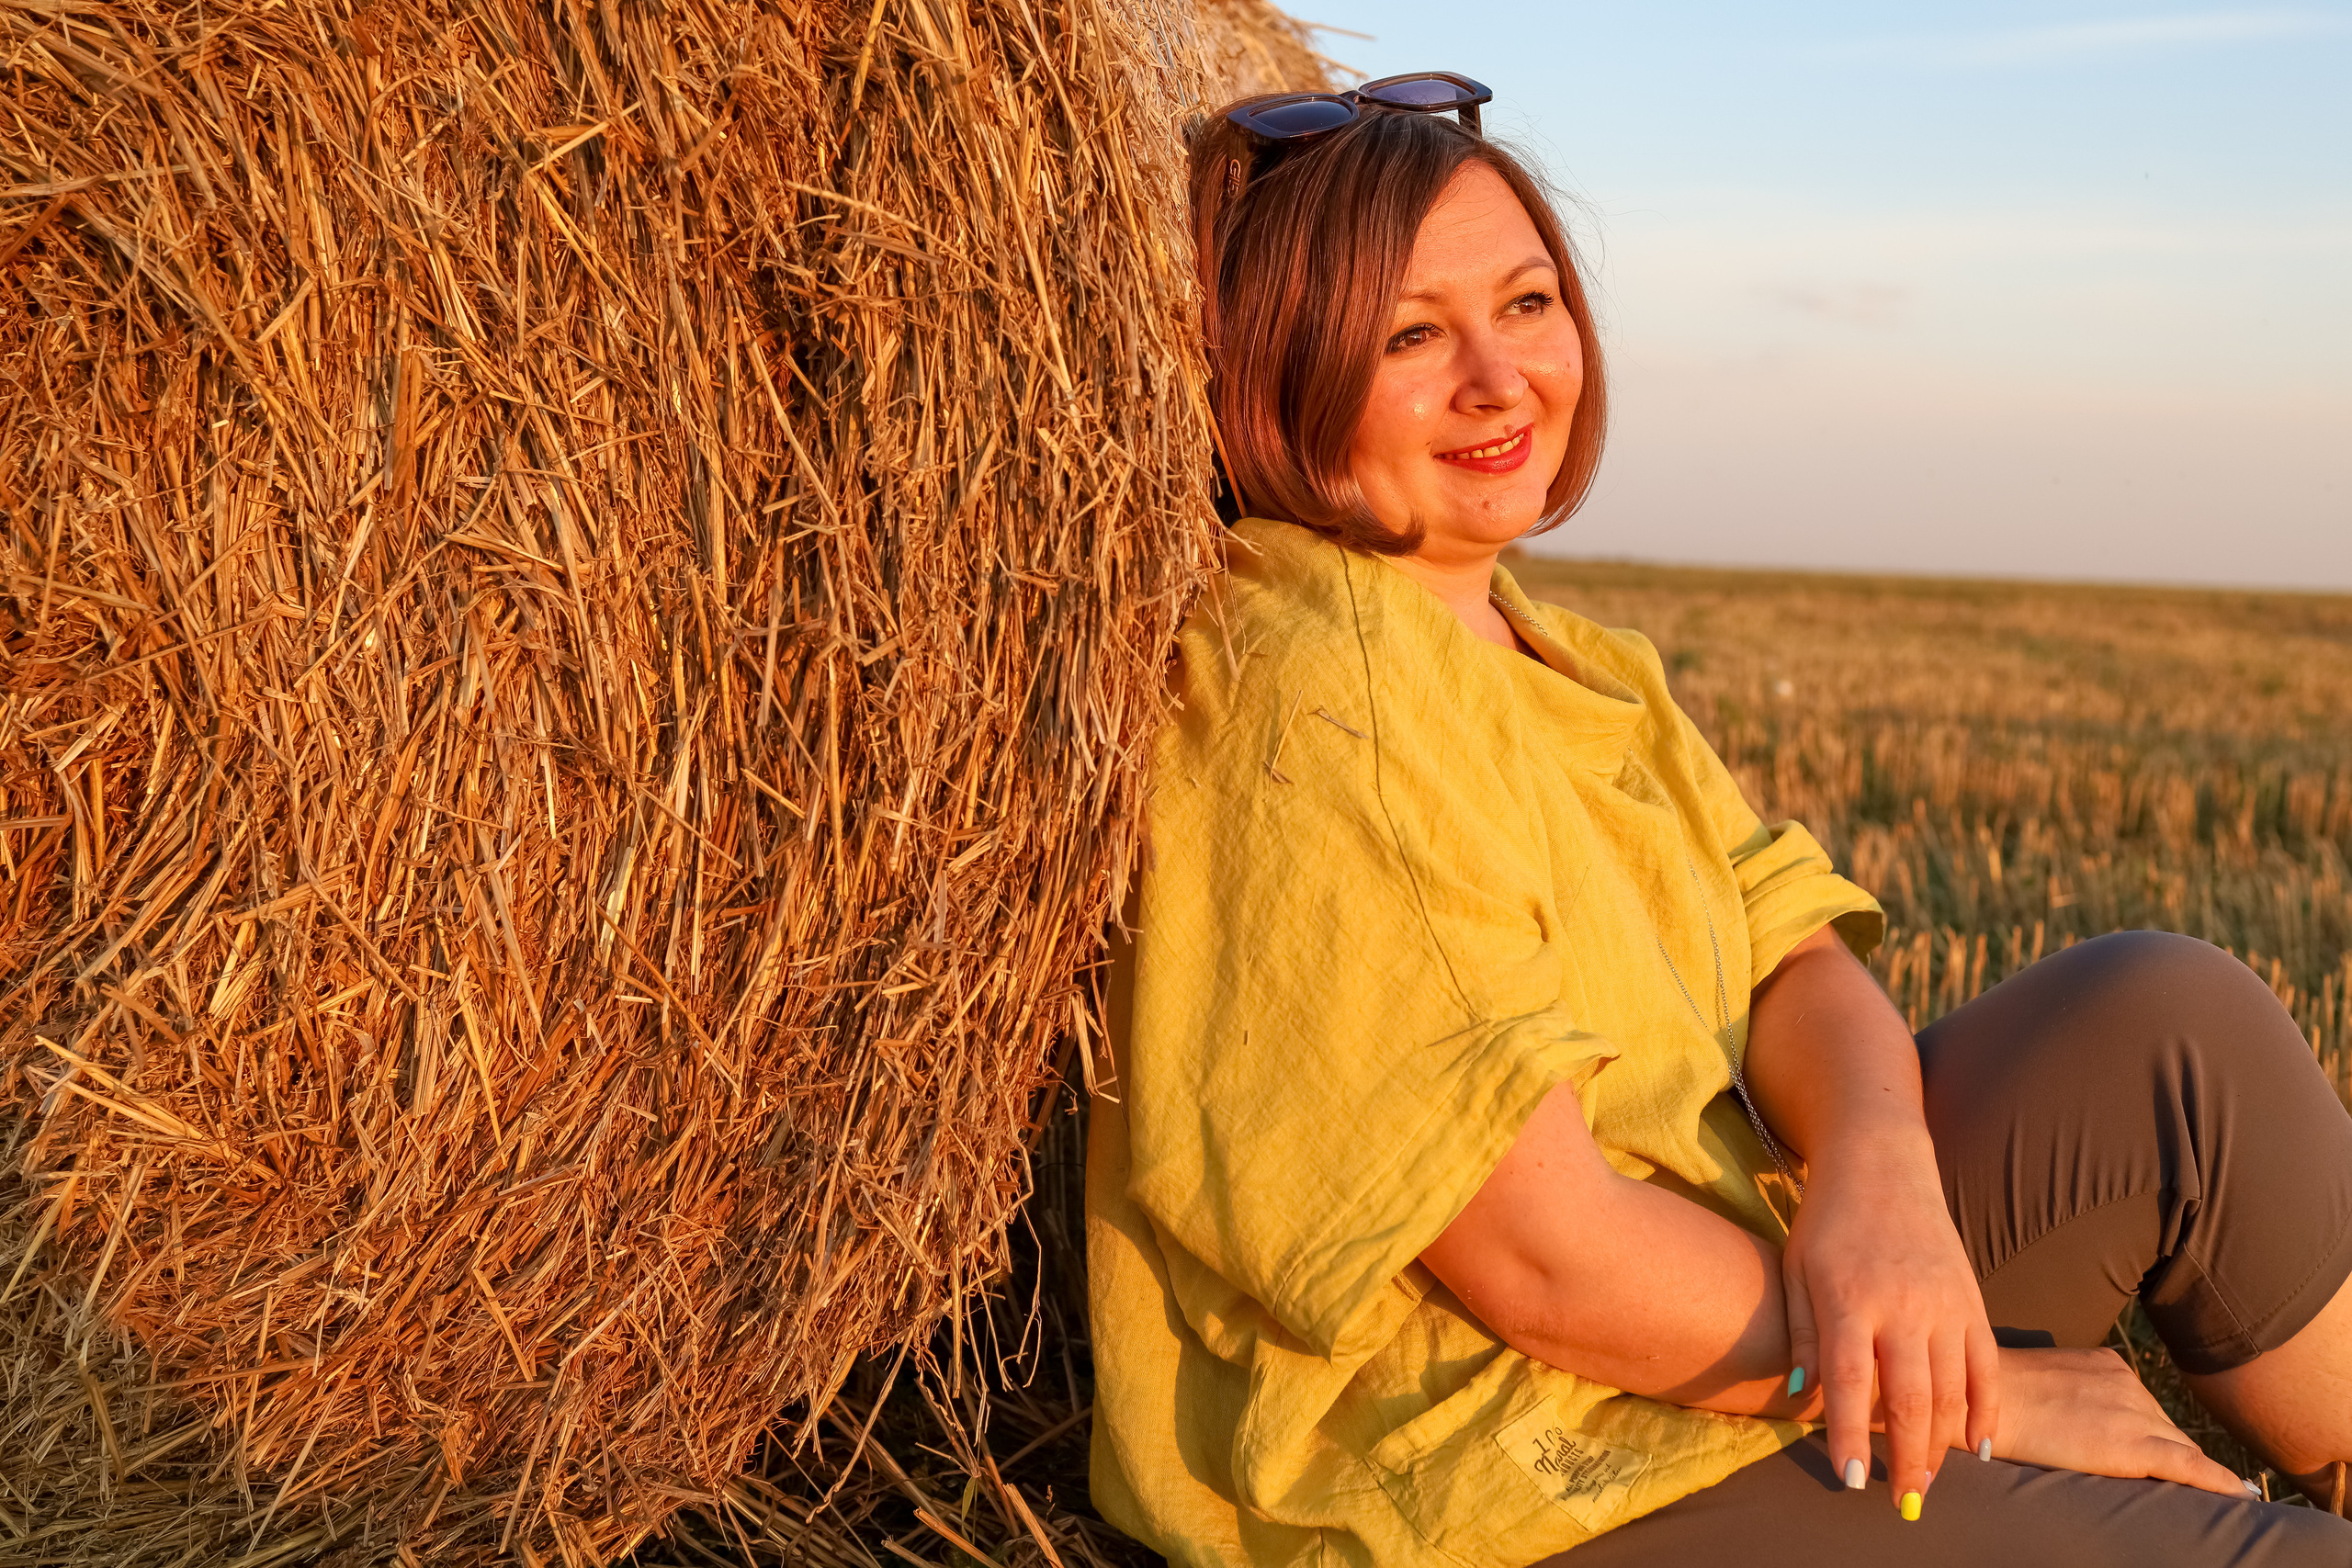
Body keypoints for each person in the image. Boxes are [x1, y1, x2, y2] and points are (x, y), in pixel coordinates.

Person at [1081, 74, 2352, 1566]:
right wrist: (1994, 1395)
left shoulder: (1559, 655)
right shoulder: (1319, 701)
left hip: (1711, 1291)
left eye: (1528, 304)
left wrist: (1881, 1175)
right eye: (1409, 336)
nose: (1500, 379)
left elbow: (1791, 955)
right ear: (1281, 370)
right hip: (1507, 1470)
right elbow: (1542, 1264)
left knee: (2168, 1024)